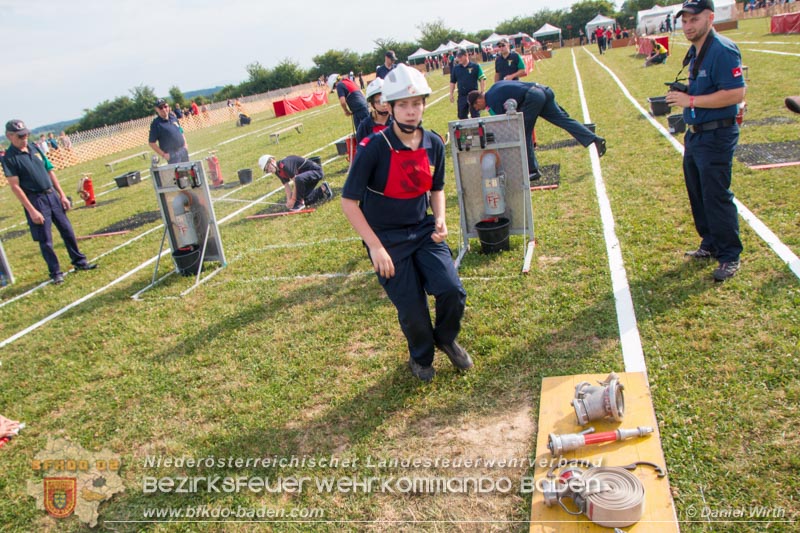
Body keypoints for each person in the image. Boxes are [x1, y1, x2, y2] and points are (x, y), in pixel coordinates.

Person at [340, 64, 473, 383]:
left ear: (424, 104)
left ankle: (445, 338)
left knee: (452, 290)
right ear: (390, 105)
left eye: (417, 103)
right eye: (403, 104)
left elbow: (436, 188)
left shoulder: (434, 143)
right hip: (387, 240)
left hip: (423, 230)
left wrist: (439, 218)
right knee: (413, 309)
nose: (411, 111)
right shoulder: (372, 149)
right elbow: (348, 202)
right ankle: (421, 356)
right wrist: (375, 247)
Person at [665, 0, 746, 281]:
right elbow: (706, 86)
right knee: (698, 192)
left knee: (716, 195)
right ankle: (710, 243)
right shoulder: (697, 50)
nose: (688, 26)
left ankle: (729, 255)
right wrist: (686, 92)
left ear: (710, 18)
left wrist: (691, 100)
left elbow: (735, 94)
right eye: (684, 21)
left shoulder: (722, 50)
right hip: (696, 134)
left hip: (716, 134)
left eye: (693, 20)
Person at [2, 119, 97, 284]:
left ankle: (80, 262)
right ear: (9, 136)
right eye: (20, 136)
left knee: (67, 231)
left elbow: (49, 170)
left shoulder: (34, 147)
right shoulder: (9, 158)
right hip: (36, 200)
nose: (25, 138)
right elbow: (15, 187)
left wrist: (61, 194)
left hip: (51, 194)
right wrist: (32, 210)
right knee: (46, 240)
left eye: (26, 134)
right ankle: (55, 272)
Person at [468, 81, 606, 180]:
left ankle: (532, 170)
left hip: (533, 97)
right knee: (563, 120)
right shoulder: (495, 88)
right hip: (544, 90)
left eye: (476, 106)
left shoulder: (492, 99)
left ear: (479, 100)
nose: (478, 109)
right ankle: (594, 139)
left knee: (523, 132)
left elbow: (506, 123)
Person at [258, 154, 333, 212]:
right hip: (304, 179)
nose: (268, 170)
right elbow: (287, 186)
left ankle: (299, 203)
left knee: (298, 181)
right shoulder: (277, 171)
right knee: (306, 200)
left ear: (272, 161)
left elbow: (296, 181)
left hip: (316, 172)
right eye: (266, 170)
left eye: (268, 167)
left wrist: (293, 200)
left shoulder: (284, 165)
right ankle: (323, 188)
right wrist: (288, 201)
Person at [148, 98, 189, 164]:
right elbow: (151, 143)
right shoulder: (156, 124)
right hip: (172, 155)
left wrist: (185, 144)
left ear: (168, 106)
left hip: (183, 150)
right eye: (160, 108)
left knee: (189, 172)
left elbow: (180, 130)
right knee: (179, 174)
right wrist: (164, 155)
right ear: (156, 109)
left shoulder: (173, 118)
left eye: (165, 106)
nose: (164, 109)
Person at [449, 48, 487, 119]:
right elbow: (452, 82)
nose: (459, 59)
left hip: (474, 96)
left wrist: (482, 92)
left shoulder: (475, 66)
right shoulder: (456, 69)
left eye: (460, 57)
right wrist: (451, 94)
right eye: (458, 57)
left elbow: (482, 78)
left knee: (475, 116)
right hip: (462, 96)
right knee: (461, 116)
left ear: (466, 55)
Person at [356, 78, 392, 145]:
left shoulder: (397, 121)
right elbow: (361, 150)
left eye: (386, 100)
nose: (384, 105)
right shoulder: (365, 126)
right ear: (373, 104)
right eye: (379, 102)